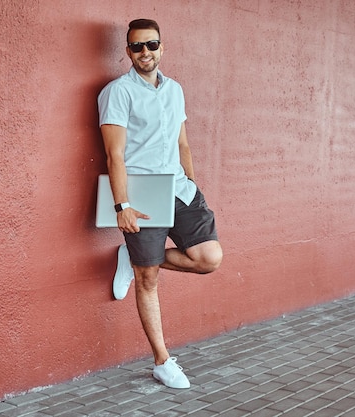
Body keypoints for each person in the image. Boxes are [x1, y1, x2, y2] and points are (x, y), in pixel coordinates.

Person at [97, 18, 223, 389]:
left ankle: (132, 258)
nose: (145, 52)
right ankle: (162, 360)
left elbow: (182, 143)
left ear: (161, 47)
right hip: (142, 192)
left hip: (181, 190)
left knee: (209, 259)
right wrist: (122, 207)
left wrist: (193, 182)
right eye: (137, 47)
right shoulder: (117, 92)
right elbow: (114, 155)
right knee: (148, 278)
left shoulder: (175, 90)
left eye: (151, 44)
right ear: (128, 52)